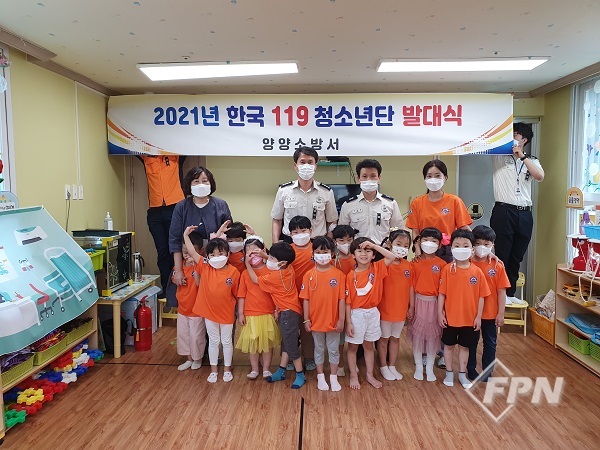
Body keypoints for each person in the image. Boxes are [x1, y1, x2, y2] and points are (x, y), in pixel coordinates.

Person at [490, 123, 544, 304]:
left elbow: (539, 176)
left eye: (515, 135)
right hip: (504, 210)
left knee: (517, 256)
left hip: (525, 213)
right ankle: (500, 294)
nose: (512, 137)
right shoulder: (499, 156)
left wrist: (523, 157)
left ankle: (510, 293)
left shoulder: (532, 160)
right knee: (502, 254)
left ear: (524, 139)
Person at [245, 242, 307, 389]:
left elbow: (255, 280)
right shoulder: (289, 268)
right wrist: (265, 255)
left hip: (287, 314)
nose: (269, 260)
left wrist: (247, 264)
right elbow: (277, 263)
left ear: (281, 262)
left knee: (291, 345)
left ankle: (300, 374)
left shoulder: (274, 277)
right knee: (287, 342)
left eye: (272, 258)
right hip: (291, 311)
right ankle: (281, 370)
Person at [184, 229, 240, 383]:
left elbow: (237, 294)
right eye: (212, 254)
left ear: (228, 254)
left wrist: (239, 313)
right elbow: (192, 252)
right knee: (214, 341)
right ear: (207, 256)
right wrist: (185, 236)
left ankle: (227, 370)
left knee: (226, 341)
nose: (217, 257)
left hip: (227, 312)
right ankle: (214, 371)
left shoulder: (234, 272)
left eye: (220, 253)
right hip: (209, 312)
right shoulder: (205, 266)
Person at [438, 229, 490, 389]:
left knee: (465, 347)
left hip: (469, 319)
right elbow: (441, 294)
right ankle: (449, 373)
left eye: (465, 246)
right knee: (448, 347)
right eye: (457, 245)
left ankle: (462, 374)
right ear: (451, 248)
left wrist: (478, 317)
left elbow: (482, 296)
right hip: (450, 318)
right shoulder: (447, 269)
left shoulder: (477, 272)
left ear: (472, 249)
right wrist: (440, 313)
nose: (461, 249)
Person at [345, 237, 398, 390]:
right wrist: (348, 323)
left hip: (373, 313)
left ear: (373, 255)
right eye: (359, 251)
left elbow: (391, 256)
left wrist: (374, 245)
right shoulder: (350, 276)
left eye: (368, 251)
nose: (364, 254)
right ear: (353, 255)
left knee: (369, 346)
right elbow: (347, 302)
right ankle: (353, 375)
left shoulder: (377, 268)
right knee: (353, 347)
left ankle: (369, 375)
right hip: (356, 314)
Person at [169, 166, 232, 289]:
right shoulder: (181, 206)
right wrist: (178, 270)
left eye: (204, 181)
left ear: (210, 183)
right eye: (196, 181)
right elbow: (175, 240)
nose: (201, 185)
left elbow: (229, 236)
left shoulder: (221, 205)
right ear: (190, 184)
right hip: (189, 262)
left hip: (216, 260)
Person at [300, 236, 346, 391]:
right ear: (313, 254)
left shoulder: (339, 275)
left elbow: (341, 299)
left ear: (332, 253)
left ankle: (333, 377)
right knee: (318, 348)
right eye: (318, 252)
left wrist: (341, 320)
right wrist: (306, 319)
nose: (321, 255)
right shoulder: (308, 275)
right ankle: (320, 376)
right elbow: (305, 299)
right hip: (315, 321)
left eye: (325, 252)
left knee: (333, 349)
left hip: (333, 321)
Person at [406, 159, 472, 263]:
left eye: (437, 176)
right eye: (429, 176)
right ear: (424, 178)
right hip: (425, 250)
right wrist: (417, 250)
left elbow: (465, 229)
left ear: (445, 178)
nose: (433, 179)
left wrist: (479, 246)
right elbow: (415, 231)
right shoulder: (417, 202)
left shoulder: (455, 201)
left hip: (447, 251)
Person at [139, 155, 186, 296]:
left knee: (176, 249)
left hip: (175, 208)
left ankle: (179, 287)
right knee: (162, 252)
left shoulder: (175, 155)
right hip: (155, 212)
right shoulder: (146, 158)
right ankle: (166, 288)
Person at [467, 225, 510, 381]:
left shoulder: (497, 265)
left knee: (490, 343)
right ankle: (470, 369)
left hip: (491, 313)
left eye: (486, 244)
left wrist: (501, 313)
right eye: (478, 243)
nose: (481, 247)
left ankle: (487, 372)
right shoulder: (466, 262)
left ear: (492, 245)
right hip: (471, 313)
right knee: (471, 343)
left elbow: (502, 291)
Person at [270, 146, 338, 244]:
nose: (306, 166)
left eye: (310, 162)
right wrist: (275, 244)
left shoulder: (326, 192)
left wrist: (329, 244)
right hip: (290, 242)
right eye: (302, 162)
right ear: (295, 166)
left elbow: (331, 221)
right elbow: (277, 220)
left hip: (317, 244)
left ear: (315, 166)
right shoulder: (284, 191)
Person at [236, 236, 281, 379]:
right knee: (253, 344)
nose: (253, 255)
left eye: (255, 251)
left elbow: (275, 292)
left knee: (267, 344)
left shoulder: (270, 270)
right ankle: (255, 369)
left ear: (263, 251)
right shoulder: (245, 274)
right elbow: (241, 295)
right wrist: (241, 313)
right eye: (249, 253)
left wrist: (276, 309)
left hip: (267, 313)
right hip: (251, 314)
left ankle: (266, 368)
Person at [406, 227, 446, 382]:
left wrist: (442, 310)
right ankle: (418, 366)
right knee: (417, 336)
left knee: (433, 337)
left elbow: (443, 290)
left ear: (440, 244)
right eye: (426, 240)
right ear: (420, 242)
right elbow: (410, 286)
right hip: (418, 302)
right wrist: (411, 307)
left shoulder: (442, 264)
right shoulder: (414, 263)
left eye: (434, 241)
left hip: (435, 304)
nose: (429, 243)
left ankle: (429, 367)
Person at [338, 159, 404, 244]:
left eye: (373, 176)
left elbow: (399, 231)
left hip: (382, 250)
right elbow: (342, 233)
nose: (369, 180)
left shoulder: (390, 203)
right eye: (364, 176)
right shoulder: (348, 205)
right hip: (358, 250)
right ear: (358, 179)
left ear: (379, 178)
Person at [377, 228, 412, 381]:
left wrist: (411, 307)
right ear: (390, 244)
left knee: (395, 338)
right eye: (398, 244)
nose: (402, 248)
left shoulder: (409, 266)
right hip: (385, 309)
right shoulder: (383, 264)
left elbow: (411, 288)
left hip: (401, 310)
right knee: (384, 338)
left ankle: (392, 365)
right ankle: (383, 366)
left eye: (406, 246)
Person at [174, 231, 205, 371]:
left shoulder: (201, 266)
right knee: (184, 335)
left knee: (196, 336)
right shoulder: (180, 266)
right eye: (184, 252)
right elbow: (175, 278)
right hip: (183, 308)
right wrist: (178, 278)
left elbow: (201, 284)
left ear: (200, 251)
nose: (187, 255)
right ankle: (189, 358)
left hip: (197, 310)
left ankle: (197, 359)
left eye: (190, 252)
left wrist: (195, 268)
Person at [331, 224, 357, 376]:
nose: (346, 243)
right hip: (338, 303)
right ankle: (340, 363)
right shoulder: (332, 261)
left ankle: (353, 363)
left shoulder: (357, 258)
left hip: (355, 303)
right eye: (341, 240)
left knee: (354, 335)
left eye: (349, 240)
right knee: (339, 338)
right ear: (335, 241)